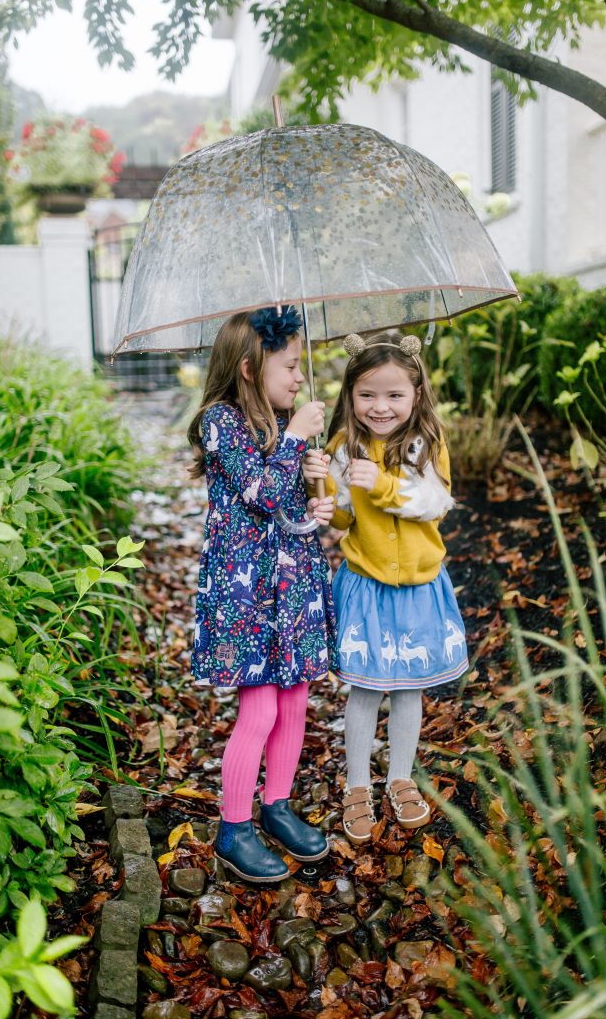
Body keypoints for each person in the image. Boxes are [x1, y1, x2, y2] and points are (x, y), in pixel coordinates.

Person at [188, 306, 337, 882]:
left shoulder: (277, 425)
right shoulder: (220, 422)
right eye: (291, 366)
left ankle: (275, 805)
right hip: (247, 595)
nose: (300, 377)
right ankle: (233, 827)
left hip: (292, 584)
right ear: (250, 368)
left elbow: (289, 512)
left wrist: (314, 505)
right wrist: (297, 440)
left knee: (296, 697)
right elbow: (261, 493)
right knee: (262, 705)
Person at [303, 331, 469, 845]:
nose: (380, 407)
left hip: (419, 584)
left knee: (409, 687)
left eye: (394, 395)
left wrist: (382, 483)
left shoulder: (426, 444)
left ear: (416, 393)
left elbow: (433, 503)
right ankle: (357, 784)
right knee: (368, 687)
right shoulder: (340, 448)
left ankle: (399, 776)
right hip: (368, 583)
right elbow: (345, 523)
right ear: (349, 395)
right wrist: (323, 494)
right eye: (367, 395)